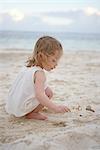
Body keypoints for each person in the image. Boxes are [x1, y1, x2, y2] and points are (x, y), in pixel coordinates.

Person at [5, 36, 70, 120]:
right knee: (48, 94)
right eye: (54, 60)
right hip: (21, 108)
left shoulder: (28, 68)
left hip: (12, 105)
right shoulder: (39, 73)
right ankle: (33, 113)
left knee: (47, 90)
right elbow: (40, 95)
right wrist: (55, 108)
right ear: (41, 56)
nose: (56, 64)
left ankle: (31, 110)